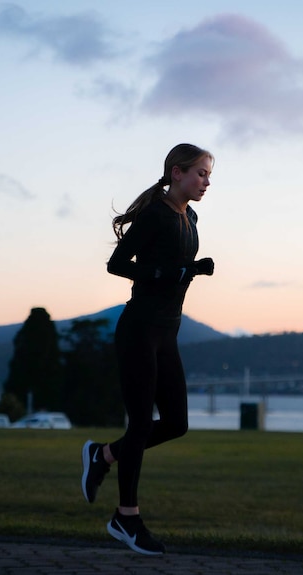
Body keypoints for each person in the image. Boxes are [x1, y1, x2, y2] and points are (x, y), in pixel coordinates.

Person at [81, 143, 215, 556]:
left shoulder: (189, 216)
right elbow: (118, 263)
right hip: (139, 329)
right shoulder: (156, 213)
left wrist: (192, 270)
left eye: (209, 176)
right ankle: (126, 518)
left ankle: (103, 456)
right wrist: (163, 272)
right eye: (200, 174)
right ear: (177, 172)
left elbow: (174, 270)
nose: (206, 182)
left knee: (176, 423)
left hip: (167, 332)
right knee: (141, 424)